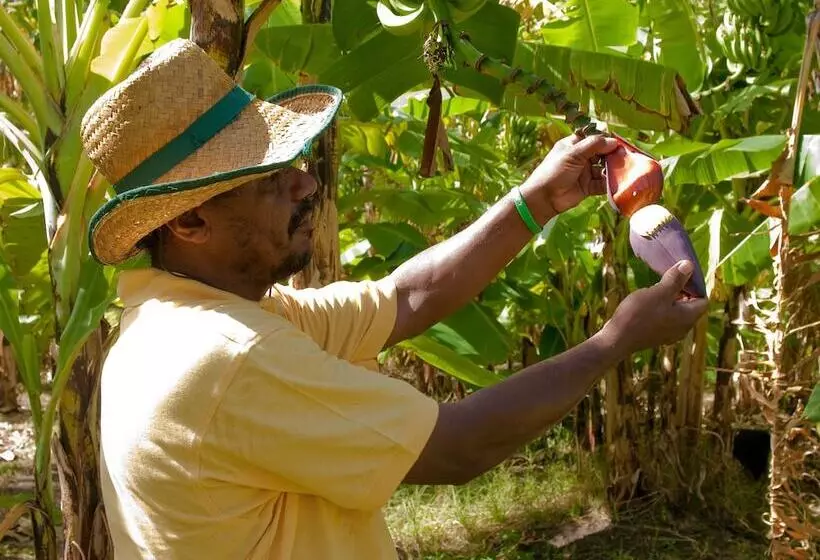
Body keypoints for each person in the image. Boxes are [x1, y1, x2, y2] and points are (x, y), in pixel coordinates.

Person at [81, 39, 708, 560]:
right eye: (272, 180)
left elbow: (403, 298)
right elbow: (460, 446)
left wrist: (537, 199)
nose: (307, 182)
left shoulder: (192, 319)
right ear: (189, 224)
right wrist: (616, 341)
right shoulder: (226, 356)